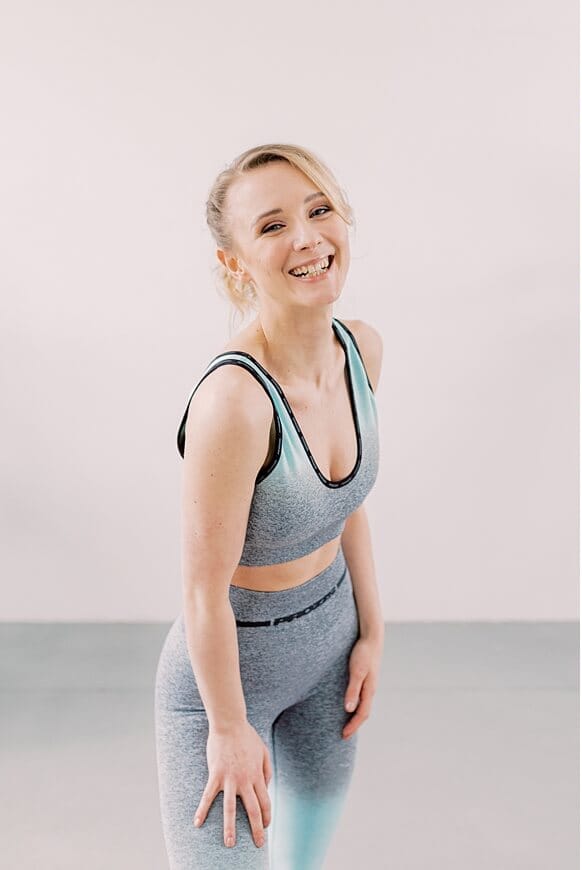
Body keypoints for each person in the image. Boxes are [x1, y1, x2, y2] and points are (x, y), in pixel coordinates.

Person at [154, 143, 385, 867]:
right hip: (223, 684)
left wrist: (373, 632)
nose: (308, 238)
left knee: (306, 862)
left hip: (330, 654)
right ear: (235, 263)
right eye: (272, 225)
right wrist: (227, 726)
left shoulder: (363, 351)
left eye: (319, 211)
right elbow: (201, 588)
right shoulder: (234, 401)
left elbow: (345, 507)